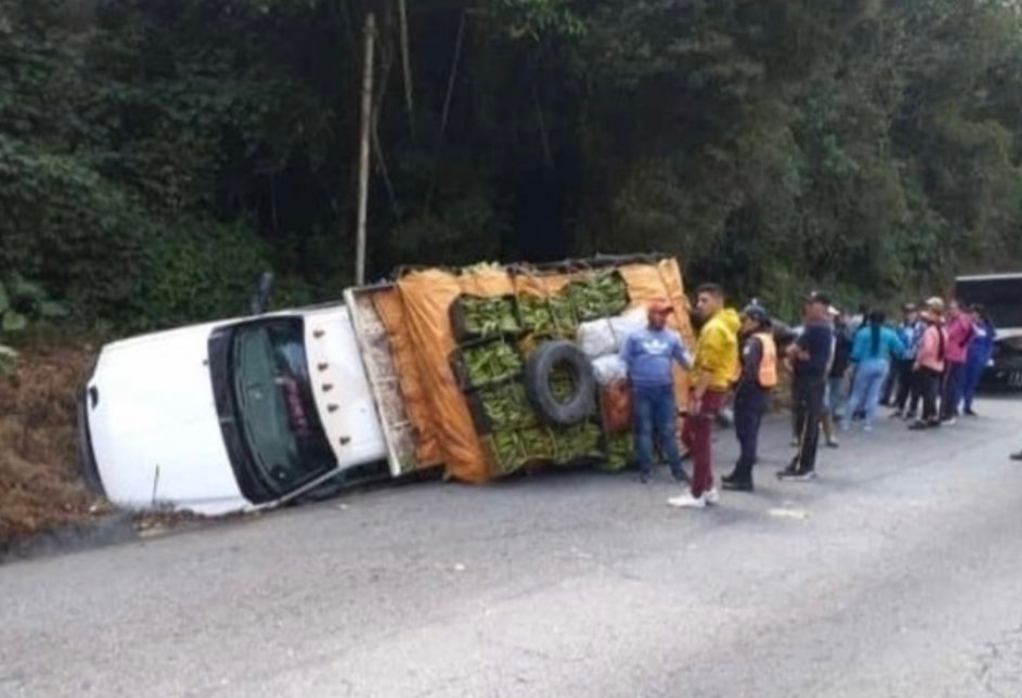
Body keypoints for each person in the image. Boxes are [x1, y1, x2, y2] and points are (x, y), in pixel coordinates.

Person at [669, 284, 739, 509]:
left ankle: (697, 493)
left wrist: (697, 396)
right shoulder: (720, 324)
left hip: (707, 389)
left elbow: (709, 366)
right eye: (698, 301)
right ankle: (707, 487)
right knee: (690, 435)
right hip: (710, 388)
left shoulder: (715, 329)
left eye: (704, 300)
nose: (699, 305)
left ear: (719, 301)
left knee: (699, 440)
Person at [620, 300, 694, 484]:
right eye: (659, 314)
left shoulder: (673, 337)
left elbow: (685, 360)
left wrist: (699, 374)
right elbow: (623, 360)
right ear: (650, 315)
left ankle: (677, 471)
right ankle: (645, 470)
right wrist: (624, 380)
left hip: (664, 390)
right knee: (644, 430)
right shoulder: (635, 337)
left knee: (669, 430)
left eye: (665, 314)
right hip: (641, 390)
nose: (663, 318)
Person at [778, 291, 833, 481]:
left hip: (810, 381)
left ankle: (805, 466)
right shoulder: (820, 328)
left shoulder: (817, 328)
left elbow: (792, 350)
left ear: (823, 307)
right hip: (809, 379)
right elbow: (797, 352)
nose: (808, 307)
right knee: (804, 422)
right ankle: (800, 462)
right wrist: (797, 356)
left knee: (807, 423)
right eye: (807, 303)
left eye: (813, 304)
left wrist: (792, 354)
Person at [722, 304, 777, 492]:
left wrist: (736, 392)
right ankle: (740, 472)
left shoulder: (753, 342)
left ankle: (744, 478)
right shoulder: (767, 339)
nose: (741, 323)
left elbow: (749, 370)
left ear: (755, 321)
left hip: (749, 393)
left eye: (744, 320)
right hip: (761, 392)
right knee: (750, 434)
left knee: (746, 436)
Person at [843, 310, 906, 432]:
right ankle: (868, 424)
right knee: (874, 394)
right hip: (882, 364)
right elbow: (900, 349)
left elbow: (856, 353)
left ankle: (846, 421)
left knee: (856, 394)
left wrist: (851, 365)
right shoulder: (889, 333)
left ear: (869, 320)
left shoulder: (862, 333)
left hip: (865, 364)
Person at [909, 298, 948, 431]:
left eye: (930, 312)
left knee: (926, 392)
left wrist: (918, 360)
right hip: (939, 364)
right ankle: (933, 415)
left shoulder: (930, 331)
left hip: (928, 363)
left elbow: (927, 348)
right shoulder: (943, 330)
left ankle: (925, 417)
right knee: (932, 391)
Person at [940, 299, 975, 424]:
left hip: (955, 355)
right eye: (949, 308)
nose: (950, 311)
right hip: (948, 354)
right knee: (948, 384)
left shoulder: (962, 319)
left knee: (950, 385)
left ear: (959, 309)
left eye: (953, 308)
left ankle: (949, 412)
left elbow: (972, 331)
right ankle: (947, 410)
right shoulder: (950, 320)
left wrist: (962, 344)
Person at [961, 304, 996, 416]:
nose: (973, 315)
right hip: (964, 357)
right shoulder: (966, 325)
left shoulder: (986, 327)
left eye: (975, 313)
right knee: (960, 382)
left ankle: (967, 406)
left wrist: (986, 358)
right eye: (971, 313)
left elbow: (989, 344)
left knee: (971, 383)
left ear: (980, 314)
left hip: (978, 359)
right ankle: (953, 406)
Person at [891, 303, 924, 419]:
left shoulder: (921, 327)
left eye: (912, 313)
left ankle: (913, 409)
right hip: (903, 358)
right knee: (903, 384)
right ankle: (900, 407)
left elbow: (922, 343)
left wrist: (918, 358)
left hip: (915, 359)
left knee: (915, 385)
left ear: (916, 314)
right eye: (907, 313)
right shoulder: (901, 326)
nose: (909, 315)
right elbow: (896, 340)